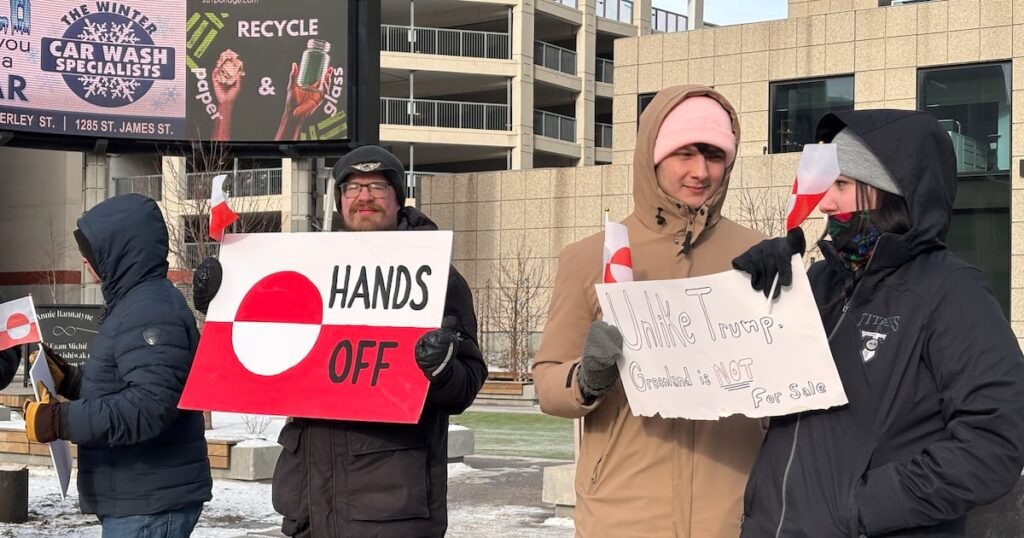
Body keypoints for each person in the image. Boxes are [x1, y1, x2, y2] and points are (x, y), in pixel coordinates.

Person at [732, 110, 1024, 537]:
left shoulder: (951, 292)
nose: (825, 202)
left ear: (888, 192)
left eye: (842, 185)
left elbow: (995, 441)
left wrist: (862, 507)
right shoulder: (819, 280)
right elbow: (758, 388)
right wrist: (757, 292)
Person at [192, 145, 488, 537]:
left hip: (391, 511)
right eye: (352, 187)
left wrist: (441, 371)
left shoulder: (437, 278)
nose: (364, 196)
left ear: (399, 199)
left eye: (378, 186)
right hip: (309, 506)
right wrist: (219, 301)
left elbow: (465, 385)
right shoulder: (306, 267)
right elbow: (262, 343)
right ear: (339, 201)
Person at [532, 85, 767, 537]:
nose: (701, 172)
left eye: (715, 156)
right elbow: (547, 382)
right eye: (685, 153)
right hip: (623, 512)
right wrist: (585, 378)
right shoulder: (591, 256)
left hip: (734, 515)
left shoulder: (757, 255)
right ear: (652, 156)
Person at [22, 194, 213, 537]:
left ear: (118, 252)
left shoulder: (150, 309)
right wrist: (71, 382)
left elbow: (149, 406)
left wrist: (60, 420)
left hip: (149, 504)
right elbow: (127, 386)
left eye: (91, 252)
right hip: (139, 497)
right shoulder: (135, 304)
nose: (84, 261)